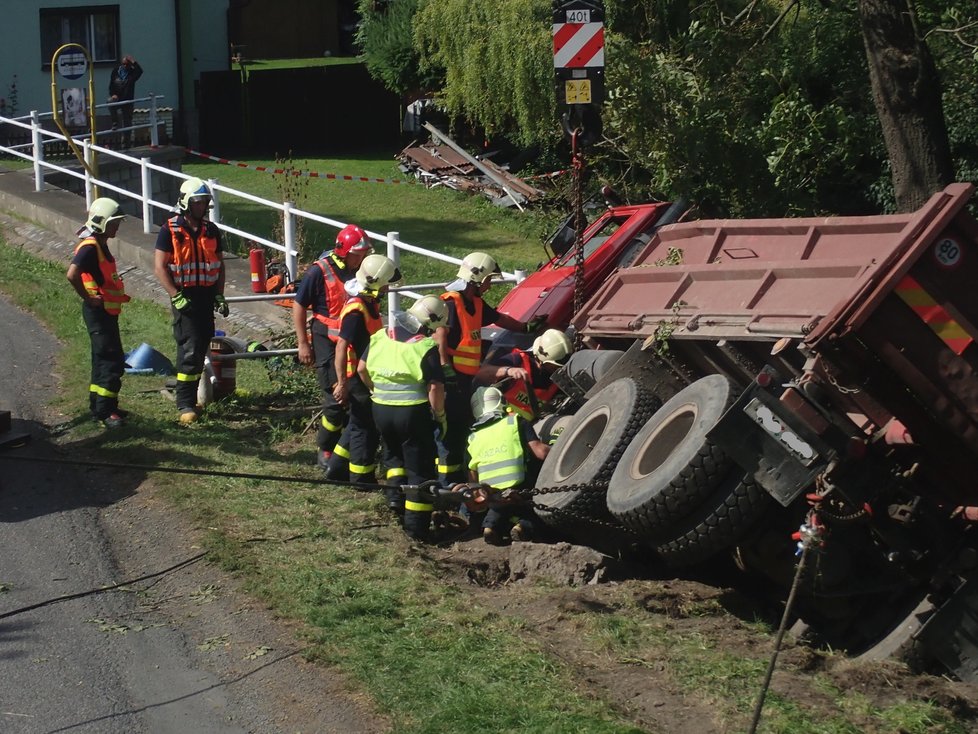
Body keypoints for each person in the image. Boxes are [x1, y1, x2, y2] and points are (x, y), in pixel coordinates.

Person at [434, 251, 546, 486]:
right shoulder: (451, 303)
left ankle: (459, 482)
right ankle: (447, 484)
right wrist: (445, 368)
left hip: (466, 380)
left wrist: (526, 328)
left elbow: (499, 319)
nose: (489, 285)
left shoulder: (474, 303)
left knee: (462, 429)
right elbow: (440, 336)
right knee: (449, 434)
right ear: (476, 279)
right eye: (487, 280)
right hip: (452, 379)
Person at [358, 295, 447, 540]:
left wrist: (375, 390)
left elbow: (361, 369)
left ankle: (394, 500)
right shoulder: (425, 347)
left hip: (381, 409)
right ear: (429, 323)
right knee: (420, 468)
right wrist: (438, 414)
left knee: (393, 455)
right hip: (413, 413)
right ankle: (416, 528)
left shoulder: (379, 337)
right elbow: (435, 387)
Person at [292, 224, 373, 470]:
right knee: (335, 400)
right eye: (360, 253)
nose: (364, 257)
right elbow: (299, 306)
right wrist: (303, 343)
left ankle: (346, 450)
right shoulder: (320, 272)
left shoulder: (361, 271)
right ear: (346, 251)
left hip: (354, 342)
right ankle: (326, 447)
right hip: (326, 340)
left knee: (360, 398)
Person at [154, 177, 227, 424]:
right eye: (198, 202)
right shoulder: (170, 230)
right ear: (186, 203)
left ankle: (193, 397)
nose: (203, 206)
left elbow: (220, 264)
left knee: (202, 342)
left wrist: (219, 293)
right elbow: (160, 267)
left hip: (206, 295)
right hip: (184, 295)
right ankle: (185, 403)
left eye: (205, 202)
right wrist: (176, 295)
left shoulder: (211, 230)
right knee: (190, 347)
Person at [325, 253, 401, 484]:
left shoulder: (368, 303)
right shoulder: (357, 312)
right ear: (376, 283)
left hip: (363, 372)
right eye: (387, 283)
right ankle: (361, 476)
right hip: (357, 375)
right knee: (365, 426)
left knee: (358, 422)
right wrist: (342, 383)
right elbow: (341, 347)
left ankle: (336, 468)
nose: (389, 287)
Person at [66, 198, 131, 428]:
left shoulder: (98, 244)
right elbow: (72, 274)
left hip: (105, 312)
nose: (117, 227)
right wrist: (89, 297)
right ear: (101, 222)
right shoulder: (90, 247)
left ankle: (100, 405)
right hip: (98, 311)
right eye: (114, 223)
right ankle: (105, 411)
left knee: (101, 358)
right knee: (111, 359)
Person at [466, 386, 550, 544]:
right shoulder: (515, 421)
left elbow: (472, 476)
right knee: (537, 511)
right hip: (520, 487)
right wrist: (558, 447)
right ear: (501, 402)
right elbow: (540, 452)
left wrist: (479, 497)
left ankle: (490, 527)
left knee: (498, 509)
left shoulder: (472, 437)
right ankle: (522, 527)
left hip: (491, 492)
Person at [474, 329, 574, 420]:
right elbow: (481, 374)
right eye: (554, 365)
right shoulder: (517, 360)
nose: (558, 368)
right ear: (542, 358)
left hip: (532, 426)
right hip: (502, 423)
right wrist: (508, 370)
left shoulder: (556, 380)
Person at [108, 55, 143, 147]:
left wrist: (133, 61)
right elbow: (111, 86)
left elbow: (140, 71)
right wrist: (113, 94)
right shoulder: (115, 72)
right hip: (117, 97)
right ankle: (115, 122)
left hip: (128, 100)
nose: (125, 66)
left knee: (127, 123)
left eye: (127, 64)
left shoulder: (132, 73)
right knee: (110, 102)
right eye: (123, 64)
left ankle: (125, 144)